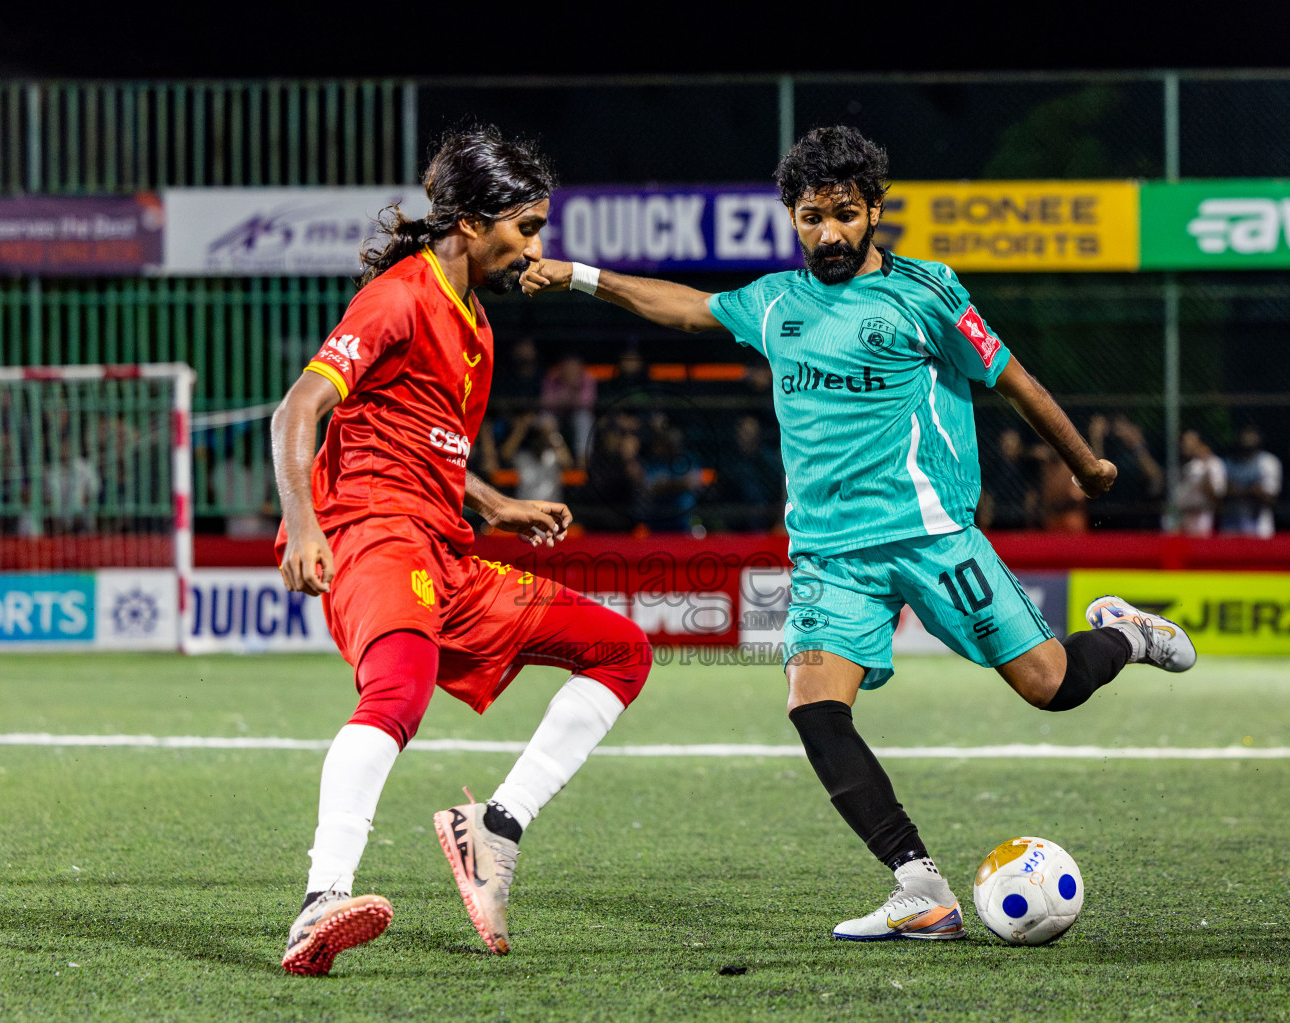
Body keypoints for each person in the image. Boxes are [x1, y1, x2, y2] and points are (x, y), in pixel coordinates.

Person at [522, 125, 1196, 943]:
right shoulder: (774, 304)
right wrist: (579, 276)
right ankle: (921, 887)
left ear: (875, 209)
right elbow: (689, 308)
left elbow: (1013, 378)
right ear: (793, 218)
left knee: (1050, 683)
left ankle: (1125, 635)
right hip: (830, 557)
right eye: (811, 217)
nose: (829, 233)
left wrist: (1086, 463)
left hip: (935, 539)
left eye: (845, 213)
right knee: (812, 705)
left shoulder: (929, 292)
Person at [270, 128, 651, 975]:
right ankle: (320, 898)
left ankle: (496, 826)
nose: (536, 247)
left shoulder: (472, 321)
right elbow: (298, 409)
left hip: (445, 548)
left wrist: (495, 502)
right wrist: (303, 524)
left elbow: (429, 442)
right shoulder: (399, 298)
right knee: (398, 691)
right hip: (374, 530)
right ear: (473, 224)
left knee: (621, 651)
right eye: (526, 225)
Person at [1087, 414, 1164, 529]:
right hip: (1105, 516)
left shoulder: (1140, 451)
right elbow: (1097, 475)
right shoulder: (1108, 448)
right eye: (1116, 429)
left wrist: (1136, 444)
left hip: (1137, 517)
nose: (1118, 433)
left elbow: (1156, 478)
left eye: (1122, 428)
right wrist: (1096, 439)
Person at [1218, 425, 1282, 538]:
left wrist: (1239, 491)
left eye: (1251, 435)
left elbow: (1270, 498)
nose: (1247, 439)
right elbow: (1222, 493)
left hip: (1259, 526)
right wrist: (1249, 490)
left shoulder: (1268, 462)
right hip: (1231, 525)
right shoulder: (1227, 463)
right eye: (1244, 435)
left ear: (1259, 438)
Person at [1175, 430, 1226, 537]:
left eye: (1190, 441)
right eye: (1184, 441)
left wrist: (1206, 472)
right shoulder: (1183, 464)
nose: (1186, 444)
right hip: (1180, 514)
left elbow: (1217, 494)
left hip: (1202, 515)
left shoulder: (1214, 463)